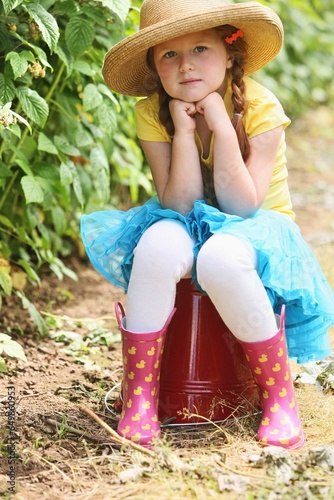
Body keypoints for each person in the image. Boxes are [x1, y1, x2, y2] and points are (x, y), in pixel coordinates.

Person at [81, 0, 334, 450]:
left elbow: (241, 206)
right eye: (169, 56)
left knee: (220, 257)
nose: (186, 66)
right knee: (156, 246)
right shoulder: (153, 112)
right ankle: (140, 398)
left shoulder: (260, 107)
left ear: (230, 52)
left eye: (200, 48)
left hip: (257, 225)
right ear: (155, 67)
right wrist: (182, 133)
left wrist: (220, 125)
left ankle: (279, 399)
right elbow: (178, 203)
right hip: (188, 217)